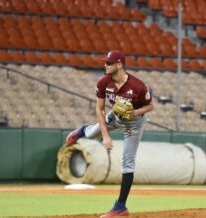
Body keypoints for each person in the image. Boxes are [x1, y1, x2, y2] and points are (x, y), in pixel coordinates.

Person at [66, 50, 154, 217]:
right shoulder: (103, 82)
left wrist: (135, 113)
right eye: (105, 62)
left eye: (109, 62)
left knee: (128, 162)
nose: (105, 65)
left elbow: (150, 107)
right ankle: (84, 129)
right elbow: (99, 109)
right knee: (92, 134)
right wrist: (105, 136)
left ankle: (120, 207)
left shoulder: (138, 86)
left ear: (119, 64)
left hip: (134, 124)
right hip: (114, 116)